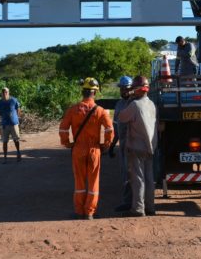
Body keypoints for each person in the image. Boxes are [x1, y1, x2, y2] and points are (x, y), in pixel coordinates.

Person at [59, 77, 114, 220]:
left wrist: (68, 143)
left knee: (79, 181)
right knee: (94, 181)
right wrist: (105, 145)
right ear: (95, 93)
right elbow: (109, 130)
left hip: (78, 150)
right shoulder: (100, 111)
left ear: (82, 92)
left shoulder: (72, 110)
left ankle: (79, 211)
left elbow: (63, 129)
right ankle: (90, 212)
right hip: (94, 150)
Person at [117, 75, 158, 217]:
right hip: (150, 147)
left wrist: (130, 99)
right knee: (149, 178)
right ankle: (150, 208)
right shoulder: (152, 104)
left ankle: (138, 209)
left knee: (138, 179)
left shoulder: (134, 105)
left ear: (137, 90)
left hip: (136, 147)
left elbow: (121, 117)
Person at [110, 76, 133, 212]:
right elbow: (116, 127)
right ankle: (127, 200)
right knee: (124, 174)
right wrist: (113, 145)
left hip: (132, 145)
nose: (124, 91)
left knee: (130, 174)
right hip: (123, 144)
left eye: (127, 88)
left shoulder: (134, 104)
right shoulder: (119, 104)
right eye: (122, 88)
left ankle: (129, 202)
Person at [0, 87, 22, 163]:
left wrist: (16, 118)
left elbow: (18, 109)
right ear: (1, 93)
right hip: (4, 124)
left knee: (16, 139)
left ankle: (18, 153)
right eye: (3, 92)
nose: (5, 93)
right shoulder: (0, 102)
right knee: (4, 141)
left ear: (8, 92)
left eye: (6, 92)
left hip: (13, 123)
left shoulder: (13, 100)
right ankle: (5, 158)